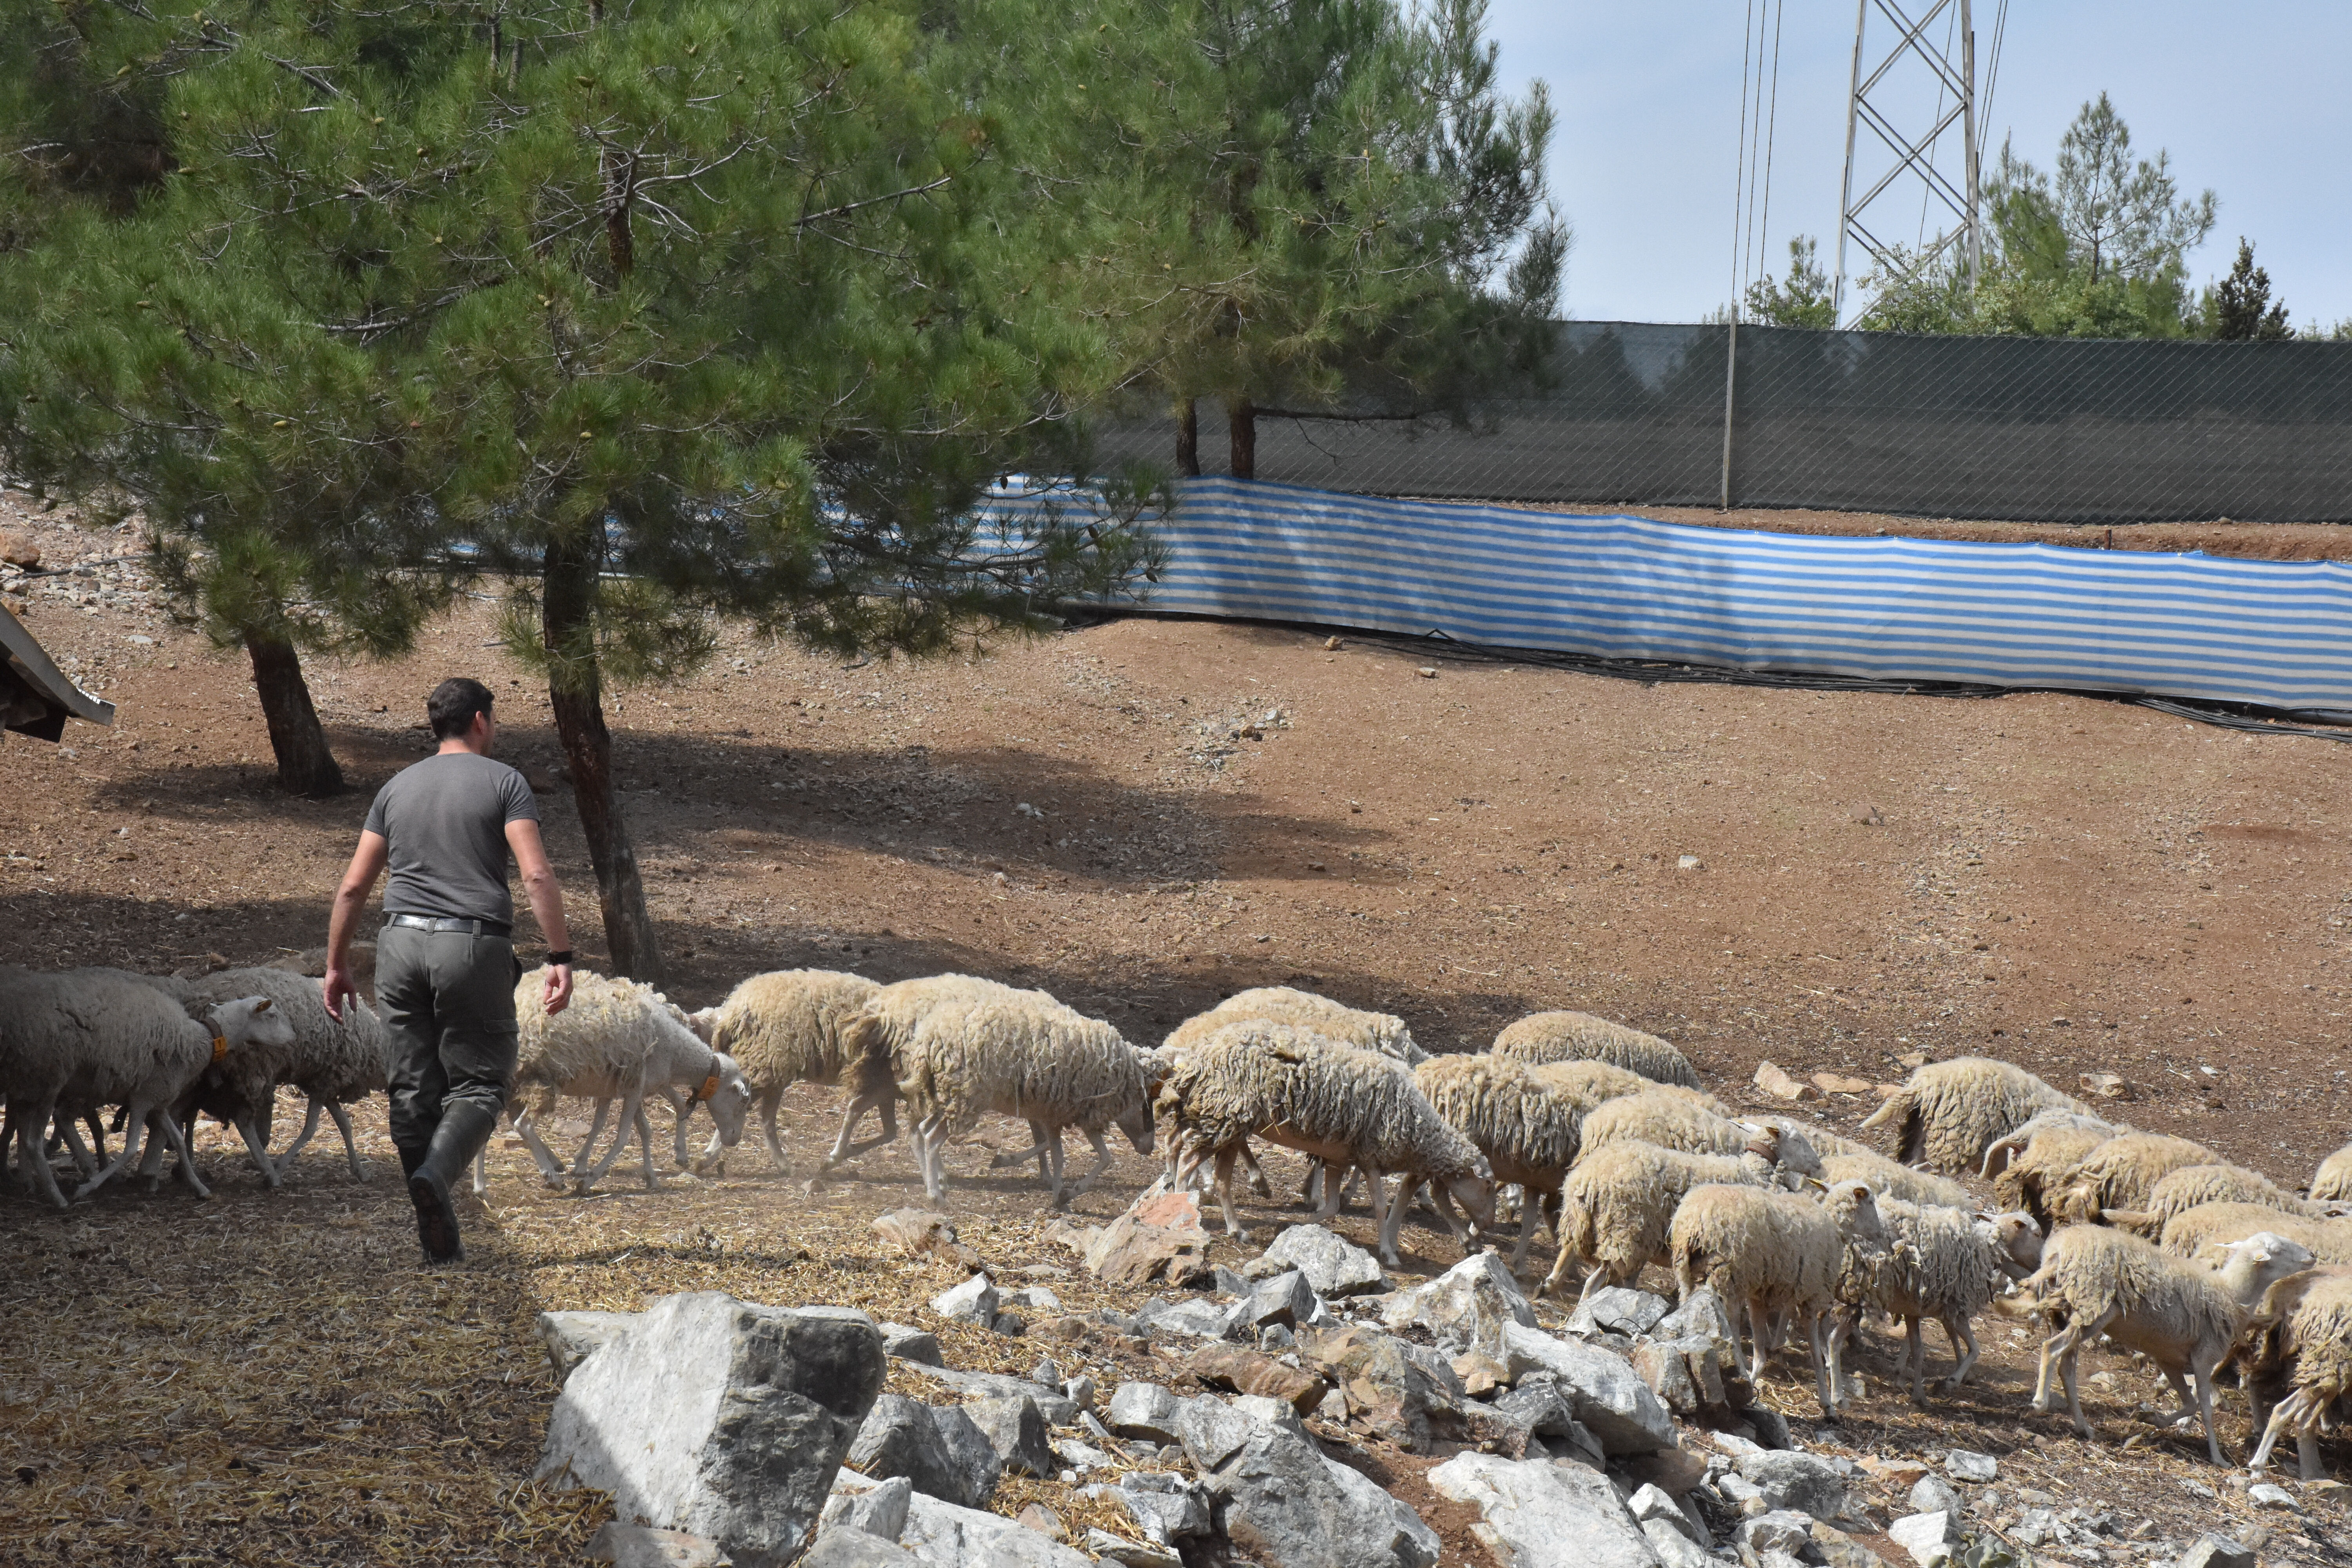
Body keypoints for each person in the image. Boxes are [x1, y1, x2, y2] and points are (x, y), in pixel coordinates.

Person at [322, 677, 574, 1264]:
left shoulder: (395, 788)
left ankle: (436, 1231)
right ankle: (437, 1175)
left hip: (400, 944)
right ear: (481, 721)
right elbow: (536, 876)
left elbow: (355, 884)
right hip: (471, 945)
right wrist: (560, 955)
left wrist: (336, 964)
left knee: (411, 1091)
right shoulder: (505, 782)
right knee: (481, 1083)